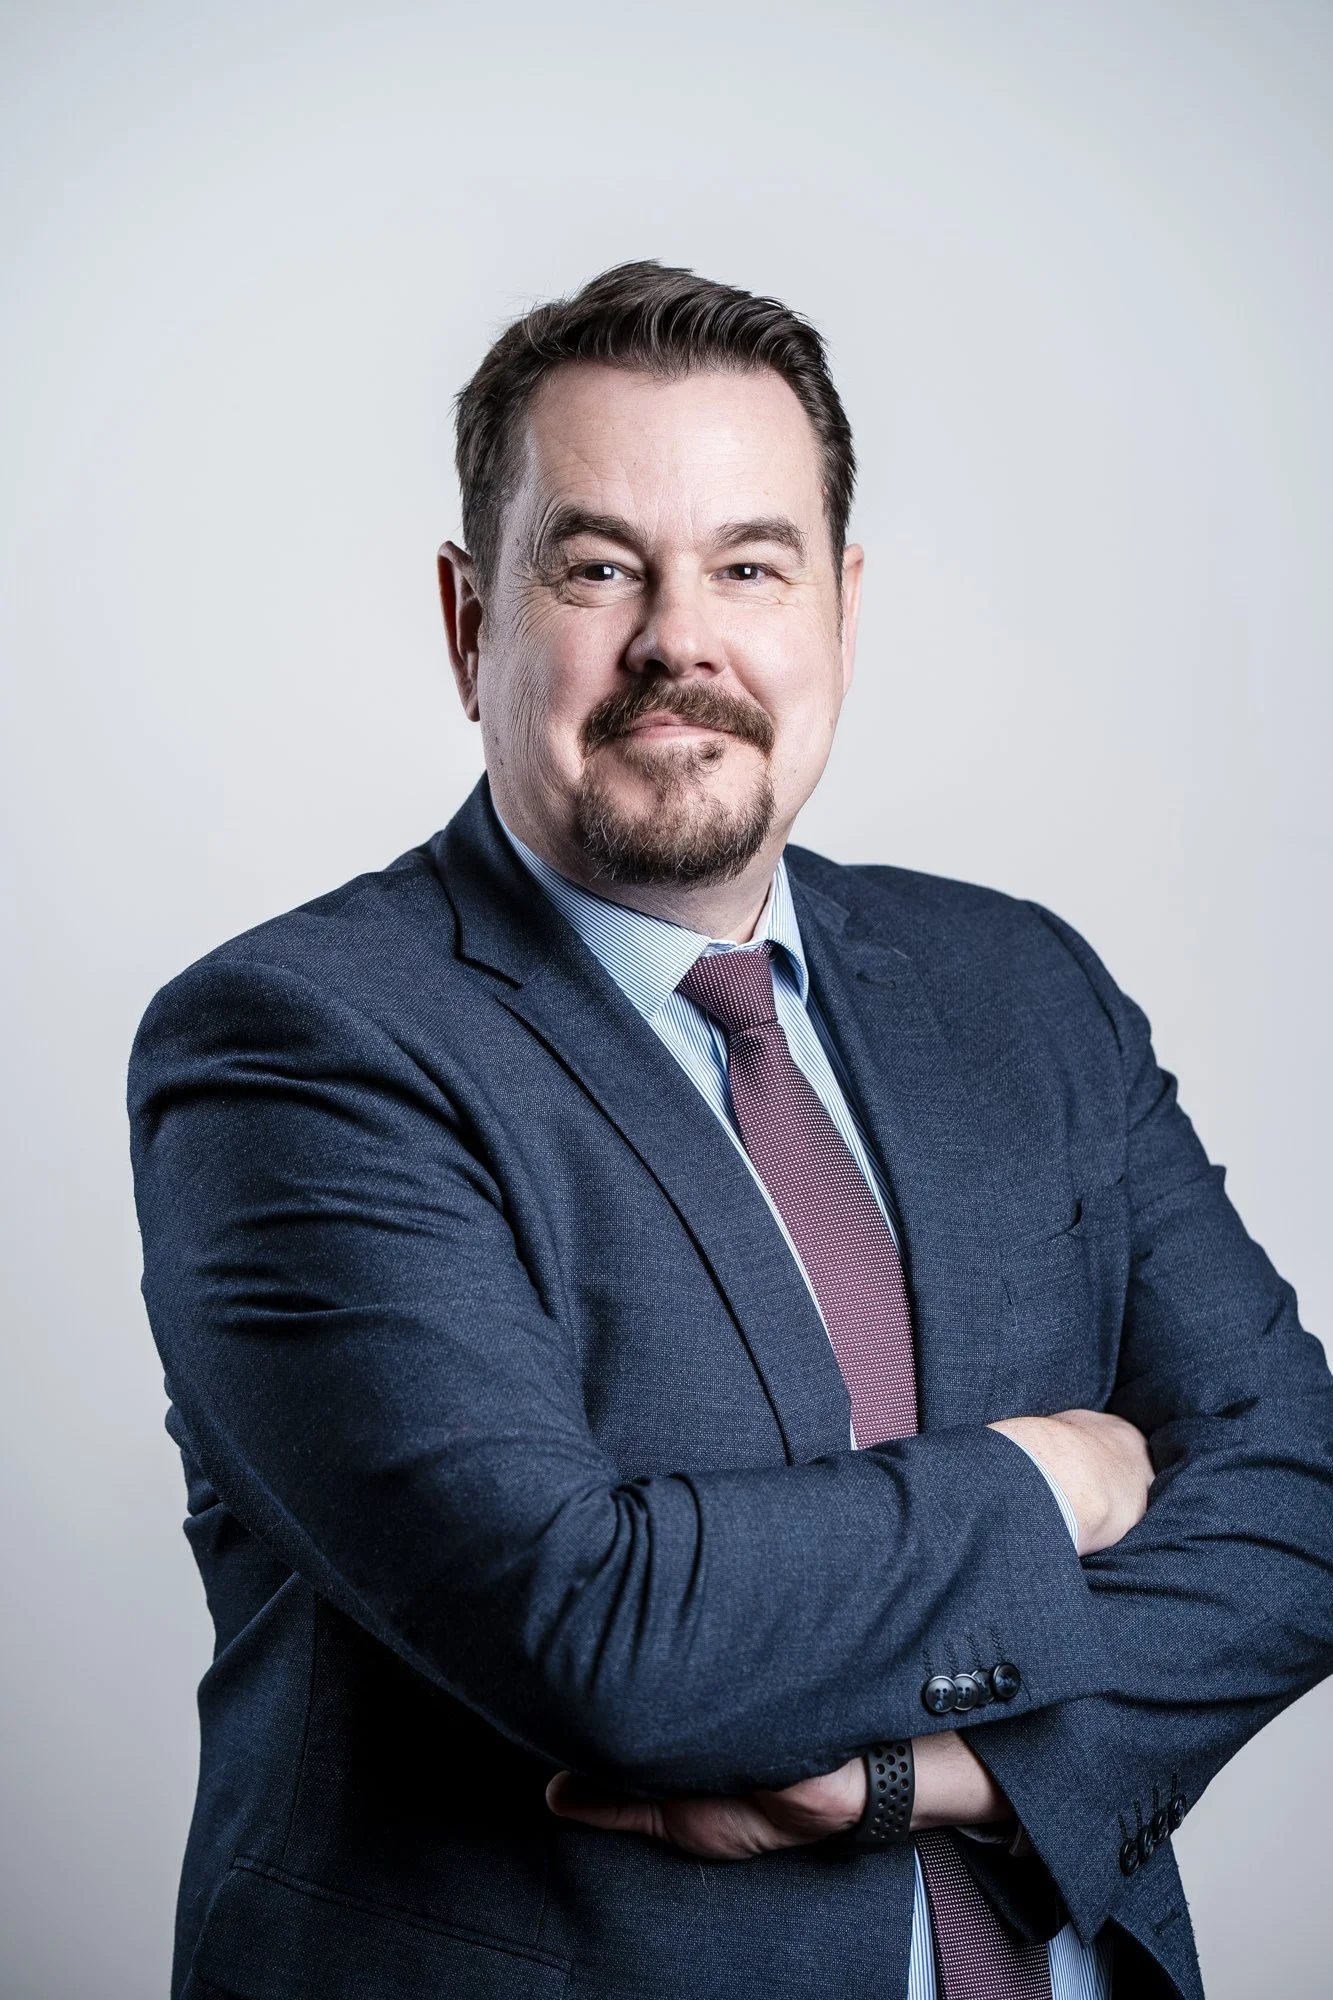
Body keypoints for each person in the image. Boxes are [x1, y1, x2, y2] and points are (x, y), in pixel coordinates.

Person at [129, 261, 1333, 2000]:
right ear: (470, 620)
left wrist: (934, 1779)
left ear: (841, 609)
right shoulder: (296, 1046)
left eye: (750, 566)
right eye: (600, 567)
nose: (678, 641)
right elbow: (599, 1628)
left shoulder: (1022, 986)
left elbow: (1298, 1494)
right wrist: (1051, 1478)